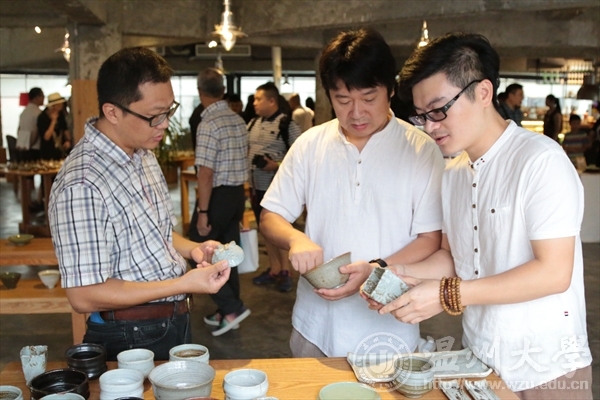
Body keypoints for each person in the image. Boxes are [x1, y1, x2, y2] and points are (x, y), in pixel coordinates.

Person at [379, 32, 592, 399]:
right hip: (481, 358)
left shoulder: (540, 161)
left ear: (482, 92)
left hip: (547, 366)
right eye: (421, 115)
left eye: (438, 110)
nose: (429, 126)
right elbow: (454, 257)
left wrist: (448, 295)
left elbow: (554, 273)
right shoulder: (454, 173)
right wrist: (397, 275)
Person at [259, 28, 444, 357]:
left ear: (390, 91)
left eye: (369, 98)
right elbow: (271, 215)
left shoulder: (421, 149)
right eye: (343, 100)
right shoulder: (310, 144)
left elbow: (430, 238)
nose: (356, 112)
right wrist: (295, 239)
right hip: (315, 324)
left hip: (389, 325)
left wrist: (376, 269)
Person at [48, 47, 231, 361]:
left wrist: (193, 249)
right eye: (154, 116)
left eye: (169, 111)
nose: (164, 124)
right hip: (129, 335)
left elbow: (154, 232)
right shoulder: (83, 183)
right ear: (112, 112)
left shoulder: (142, 153)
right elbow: (84, 295)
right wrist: (181, 283)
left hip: (169, 319)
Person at [187, 68, 251, 336]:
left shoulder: (208, 123)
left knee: (196, 249)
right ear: (223, 91)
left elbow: (205, 172)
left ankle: (232, 307)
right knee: (227, 253)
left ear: (200, 92)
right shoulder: (238, 119)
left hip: (217, 197)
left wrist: (203, 211)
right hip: (236, 194)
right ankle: (227, 309)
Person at [249, 82, 302, 293]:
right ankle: (274, 269)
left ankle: (286, 271)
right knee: (265, 230)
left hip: (279, 191)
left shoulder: (287, 124)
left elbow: (300, 157)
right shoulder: (253, 123)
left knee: (280, 231)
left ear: (272, 101)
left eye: (258, 99)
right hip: (257, 188)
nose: (254, 103)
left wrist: (276, 165)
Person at [37, 93, 71, 160]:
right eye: (59, 104)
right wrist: (53, 121)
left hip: (61, 150)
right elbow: (46, 137)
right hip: (48, 151)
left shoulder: (61, 115)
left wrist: (68, 140)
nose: (61, 105)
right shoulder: (42, 117)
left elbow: (65, 129)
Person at [16, 87, 44, 162]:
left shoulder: (24, 112)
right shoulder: (38, 113)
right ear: (37, 97)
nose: (43, 98)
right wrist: (30, 144)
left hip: (22, 145)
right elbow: (36, 131)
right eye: (42, 96)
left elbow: (19, 129)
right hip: (34, 147)